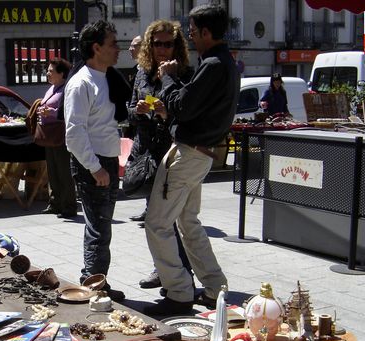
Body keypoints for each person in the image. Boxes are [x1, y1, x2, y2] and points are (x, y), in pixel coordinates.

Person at [144, 4, 240, 314]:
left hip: (189, 154)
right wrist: (168, 109)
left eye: (194, 32)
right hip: (199, 153)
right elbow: (193, 107)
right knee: (188, 222)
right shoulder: (222, 62)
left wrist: (169, 78)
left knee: (157, 223)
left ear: (208, 33)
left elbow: (184, 106)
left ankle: (179, 291)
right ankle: (214, 287)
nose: (191, 36)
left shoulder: (213, 64)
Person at [128, 20, 194, 289]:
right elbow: (130, 110)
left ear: (176, 45)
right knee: (157, 218)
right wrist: (140, 111)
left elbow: (187, 114)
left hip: (173, 151)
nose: (162, 49)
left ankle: (177, 273)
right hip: (148, 152)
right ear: (149, 45)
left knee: (166, 218)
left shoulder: (184, 73)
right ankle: (168, 269)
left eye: (168, 44)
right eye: (157, 44)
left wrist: (165, 114)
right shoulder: (143, 72)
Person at [64, 20, 125, 301]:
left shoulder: (107, 77)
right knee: (99, 229)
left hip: (107, 161)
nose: (118, 49)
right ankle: (94, 286)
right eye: (113, 43)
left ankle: (95, 281)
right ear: (96, 47)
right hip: (95, 164)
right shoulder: (81, 83)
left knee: (102, 227)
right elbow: (74, 133)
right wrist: (95, 167)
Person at [39, 58, 77, 218]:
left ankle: (69, 206)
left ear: (62, 74)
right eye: (47, 70)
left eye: (51, 71)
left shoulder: (66, 90)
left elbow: (68, 111)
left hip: (60, 136)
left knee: (63, 172)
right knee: (53, 171)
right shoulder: (52, 88)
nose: (47, 73)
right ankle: (55, 202)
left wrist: (51, 112)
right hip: (49, 135)